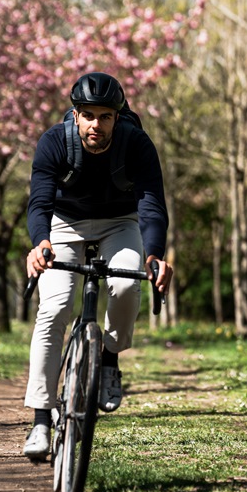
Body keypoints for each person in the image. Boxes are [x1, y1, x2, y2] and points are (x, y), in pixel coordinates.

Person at [23, 71, 173, 461]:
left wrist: (154, 254)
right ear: (75, 115)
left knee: (126, 285)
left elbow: (152, 205)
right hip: (64, 223)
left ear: (117, 117)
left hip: (120, 224)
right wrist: (40, 242)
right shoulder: (54, 142)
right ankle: (41, 416)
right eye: (88, 115)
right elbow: (39, 202)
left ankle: (108, 357)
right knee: (53, 308)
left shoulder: (136, 144)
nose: (96, 124)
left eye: (105, 116)